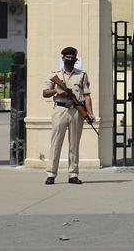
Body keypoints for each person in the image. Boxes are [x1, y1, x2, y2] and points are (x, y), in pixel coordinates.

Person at [43, 46, 92, 185]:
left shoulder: (82, 75)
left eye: (72, 58)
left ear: (76, 59)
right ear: (63, 58)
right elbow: (45, 93)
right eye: (67, 58)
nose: (69, 60)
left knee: (74, 144)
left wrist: (89, 113)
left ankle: (73, 174)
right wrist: (56, 91)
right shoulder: (55, 74)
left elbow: (87, 96)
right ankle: (51, 174)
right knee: (56, 143)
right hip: (60, 110)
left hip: (76, 111)